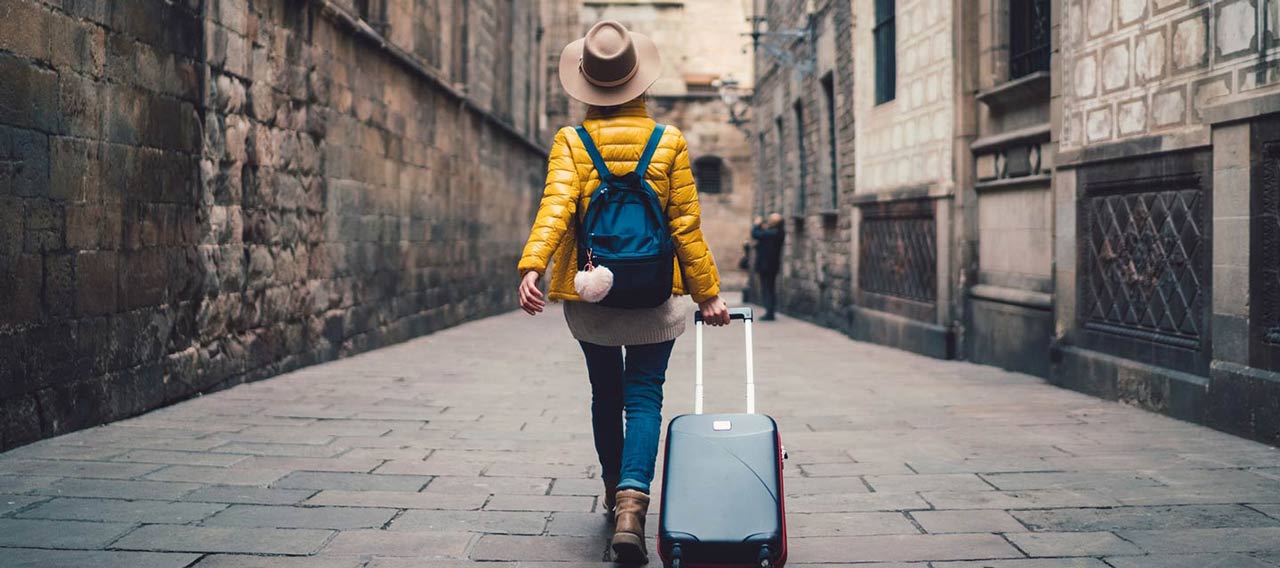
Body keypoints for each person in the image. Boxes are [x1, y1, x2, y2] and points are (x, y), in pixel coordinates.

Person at [516, 20, 729, 564]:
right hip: (657, 294)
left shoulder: (571, 142)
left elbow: (556, 207)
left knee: (605, 394)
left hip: (593, 294)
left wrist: (533, 265)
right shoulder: (669, 141)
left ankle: (614, 494)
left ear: (586, 85)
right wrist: (707, 293)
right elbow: (685, 225)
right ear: (641, 82)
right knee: (645, 395)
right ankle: (635, 504)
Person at [751, 213, 785, 321]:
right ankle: (769, 311)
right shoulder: (776, 232)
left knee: (768, 289)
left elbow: (756, 234)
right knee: (769, 288)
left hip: (767, 266)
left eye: (771, 220)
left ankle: (769, 313)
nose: (768, 221)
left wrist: (756, 224)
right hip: (771, 265)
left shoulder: (774, 233)